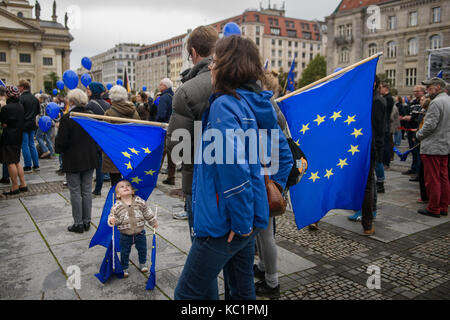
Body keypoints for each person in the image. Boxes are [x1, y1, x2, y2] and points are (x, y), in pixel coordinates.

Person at [174, 35, 293, 300]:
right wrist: (266, 194)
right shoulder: (261, 103)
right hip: (248, 220)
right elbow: (283, 157)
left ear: (226, 65)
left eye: (215, 62)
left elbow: (234, 169)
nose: (211, 67)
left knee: (186, 295)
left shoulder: (224, 106)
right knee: (241, 293)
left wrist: (240, 223)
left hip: (223, 223)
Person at [166, 25, 219, 225]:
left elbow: (178, 149)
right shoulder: (243, 78)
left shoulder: (187, 91)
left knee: (203, 244)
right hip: (241, 183)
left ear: (194, 52)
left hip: (201, 183)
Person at [55, 89, 99, 233]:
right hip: (89, 157)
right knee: (86, 190)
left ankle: (78, 223)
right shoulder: (90, 116)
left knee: (75, 191)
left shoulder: (68, 118)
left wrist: (59, 150)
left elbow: (61, 141)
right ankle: (87, 221)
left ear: (72, 101)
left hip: (73, 159)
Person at [348, 76, 385, 235]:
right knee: (364, 184)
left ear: (373, 83)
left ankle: (367, 222)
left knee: (367, 185)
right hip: (360, 148)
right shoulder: (369, 99)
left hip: (367, 150)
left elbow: (377, 129)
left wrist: (376, 150)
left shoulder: (376, 101)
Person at [107, 179, 158, 277]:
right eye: (122, 187)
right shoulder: (116, 206)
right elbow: (113, 218)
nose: (125, 187)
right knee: (125, 252)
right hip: (125, 235)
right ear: (118, 195)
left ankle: (143, 263)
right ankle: (124, 267)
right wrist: (111, 221)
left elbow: (147, 212)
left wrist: (153, 222)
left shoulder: (139, 201)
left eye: (128, 186)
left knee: (142, 249)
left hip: (140, 233)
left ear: (132, 191)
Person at [415, 77, 450, 218]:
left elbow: (430, 125)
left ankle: (434, 207)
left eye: (429, 87)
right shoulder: (448, 100)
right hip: (444, 145)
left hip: (433, 146)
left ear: (438, 87)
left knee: (433, 179)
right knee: (443, 177)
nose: (427, 90)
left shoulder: (436, 103)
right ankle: (443, 206)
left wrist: (418, 134)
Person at [102, 85, 140, 187]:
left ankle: (118, 201)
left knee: (116, 184)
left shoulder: (109, 113)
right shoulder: (134, 112)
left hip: (115, 152)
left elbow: (106, 134)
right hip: (130, 150)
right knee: (131, 183)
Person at [0, 86, 27, 195]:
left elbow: (3, 123)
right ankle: (23, 184)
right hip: (18, 136)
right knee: (17, 161)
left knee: (10, 162)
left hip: (9, 137)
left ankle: (15, 186)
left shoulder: (6, 108)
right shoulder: (21, 106)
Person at [86, 82, 111, 197]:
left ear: (94, 90)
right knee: (101, 162)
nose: (87, 90)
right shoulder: (107, 104)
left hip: (93, 137)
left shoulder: (90, 104)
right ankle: (98, 187)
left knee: (94, 163)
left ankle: (96, 188)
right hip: (104, 137)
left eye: (89, 89)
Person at [401, 85, 425, 177]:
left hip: (417, 129)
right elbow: (410, 112)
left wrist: (411, 118)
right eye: (414, 91)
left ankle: (418, 172)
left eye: (417, 91)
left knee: (417, 152)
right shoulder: (413, 102)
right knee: (413, 151)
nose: (415, 93)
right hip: (410, 129)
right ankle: (414, 168)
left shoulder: (423, 102)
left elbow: (418, 116)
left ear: (422, 92)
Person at [156, 78, 176, 185]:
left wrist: (157, 122)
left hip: (164, 127)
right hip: (174, 126)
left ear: (165, 86)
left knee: (160, 153)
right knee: (172, 153)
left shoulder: (164, 97)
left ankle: (153, 176)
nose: (159, 86)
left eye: (161, 84)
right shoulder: (174, 95)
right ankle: (171, 176)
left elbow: (161, 114)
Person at [18, 80, 40, 173]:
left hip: (23, 124)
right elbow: (37, 112)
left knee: (25, 145)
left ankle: (27, 165)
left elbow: (19, 112)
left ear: (23, 87)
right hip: (32, 123)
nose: (18, 88)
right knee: (31, 144)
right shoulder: (35, 99)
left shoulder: (21, 98)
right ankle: (36, 164)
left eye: (19, 86)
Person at [417, 96, 431, 202]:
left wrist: (418, 134)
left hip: (429, 146)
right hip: (427, 145)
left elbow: (427, 127)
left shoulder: (429, 114)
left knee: (426, 174)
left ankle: (426, 197)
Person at [35, 93, 54, 159]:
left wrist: (37, 122)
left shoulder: (42, 105)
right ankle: (51, 153)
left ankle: (45, 150)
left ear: (42, 99)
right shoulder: (50, 104)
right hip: (50, 123)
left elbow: (41, 115)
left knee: (38, 137)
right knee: (48, 138)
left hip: (43, 123)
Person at [0, 86, 10, 184]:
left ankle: (5, 176)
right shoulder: (7, 103)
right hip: (8, 132)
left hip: (2, 131)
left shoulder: (1, 104)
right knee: (6, 156)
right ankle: (6, 175)